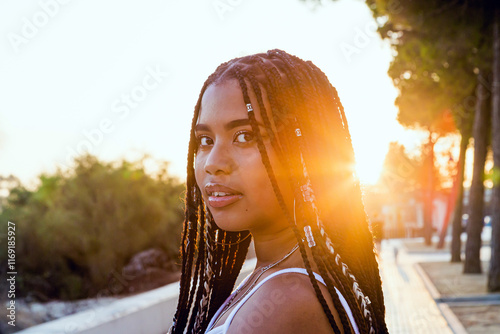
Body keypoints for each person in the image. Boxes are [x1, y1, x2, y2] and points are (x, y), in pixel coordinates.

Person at [169, 49, 388, 334]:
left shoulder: (287, 302)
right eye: (206, 140)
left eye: (245, 136)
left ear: (302, 155)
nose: (213, 164)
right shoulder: (275, 275)